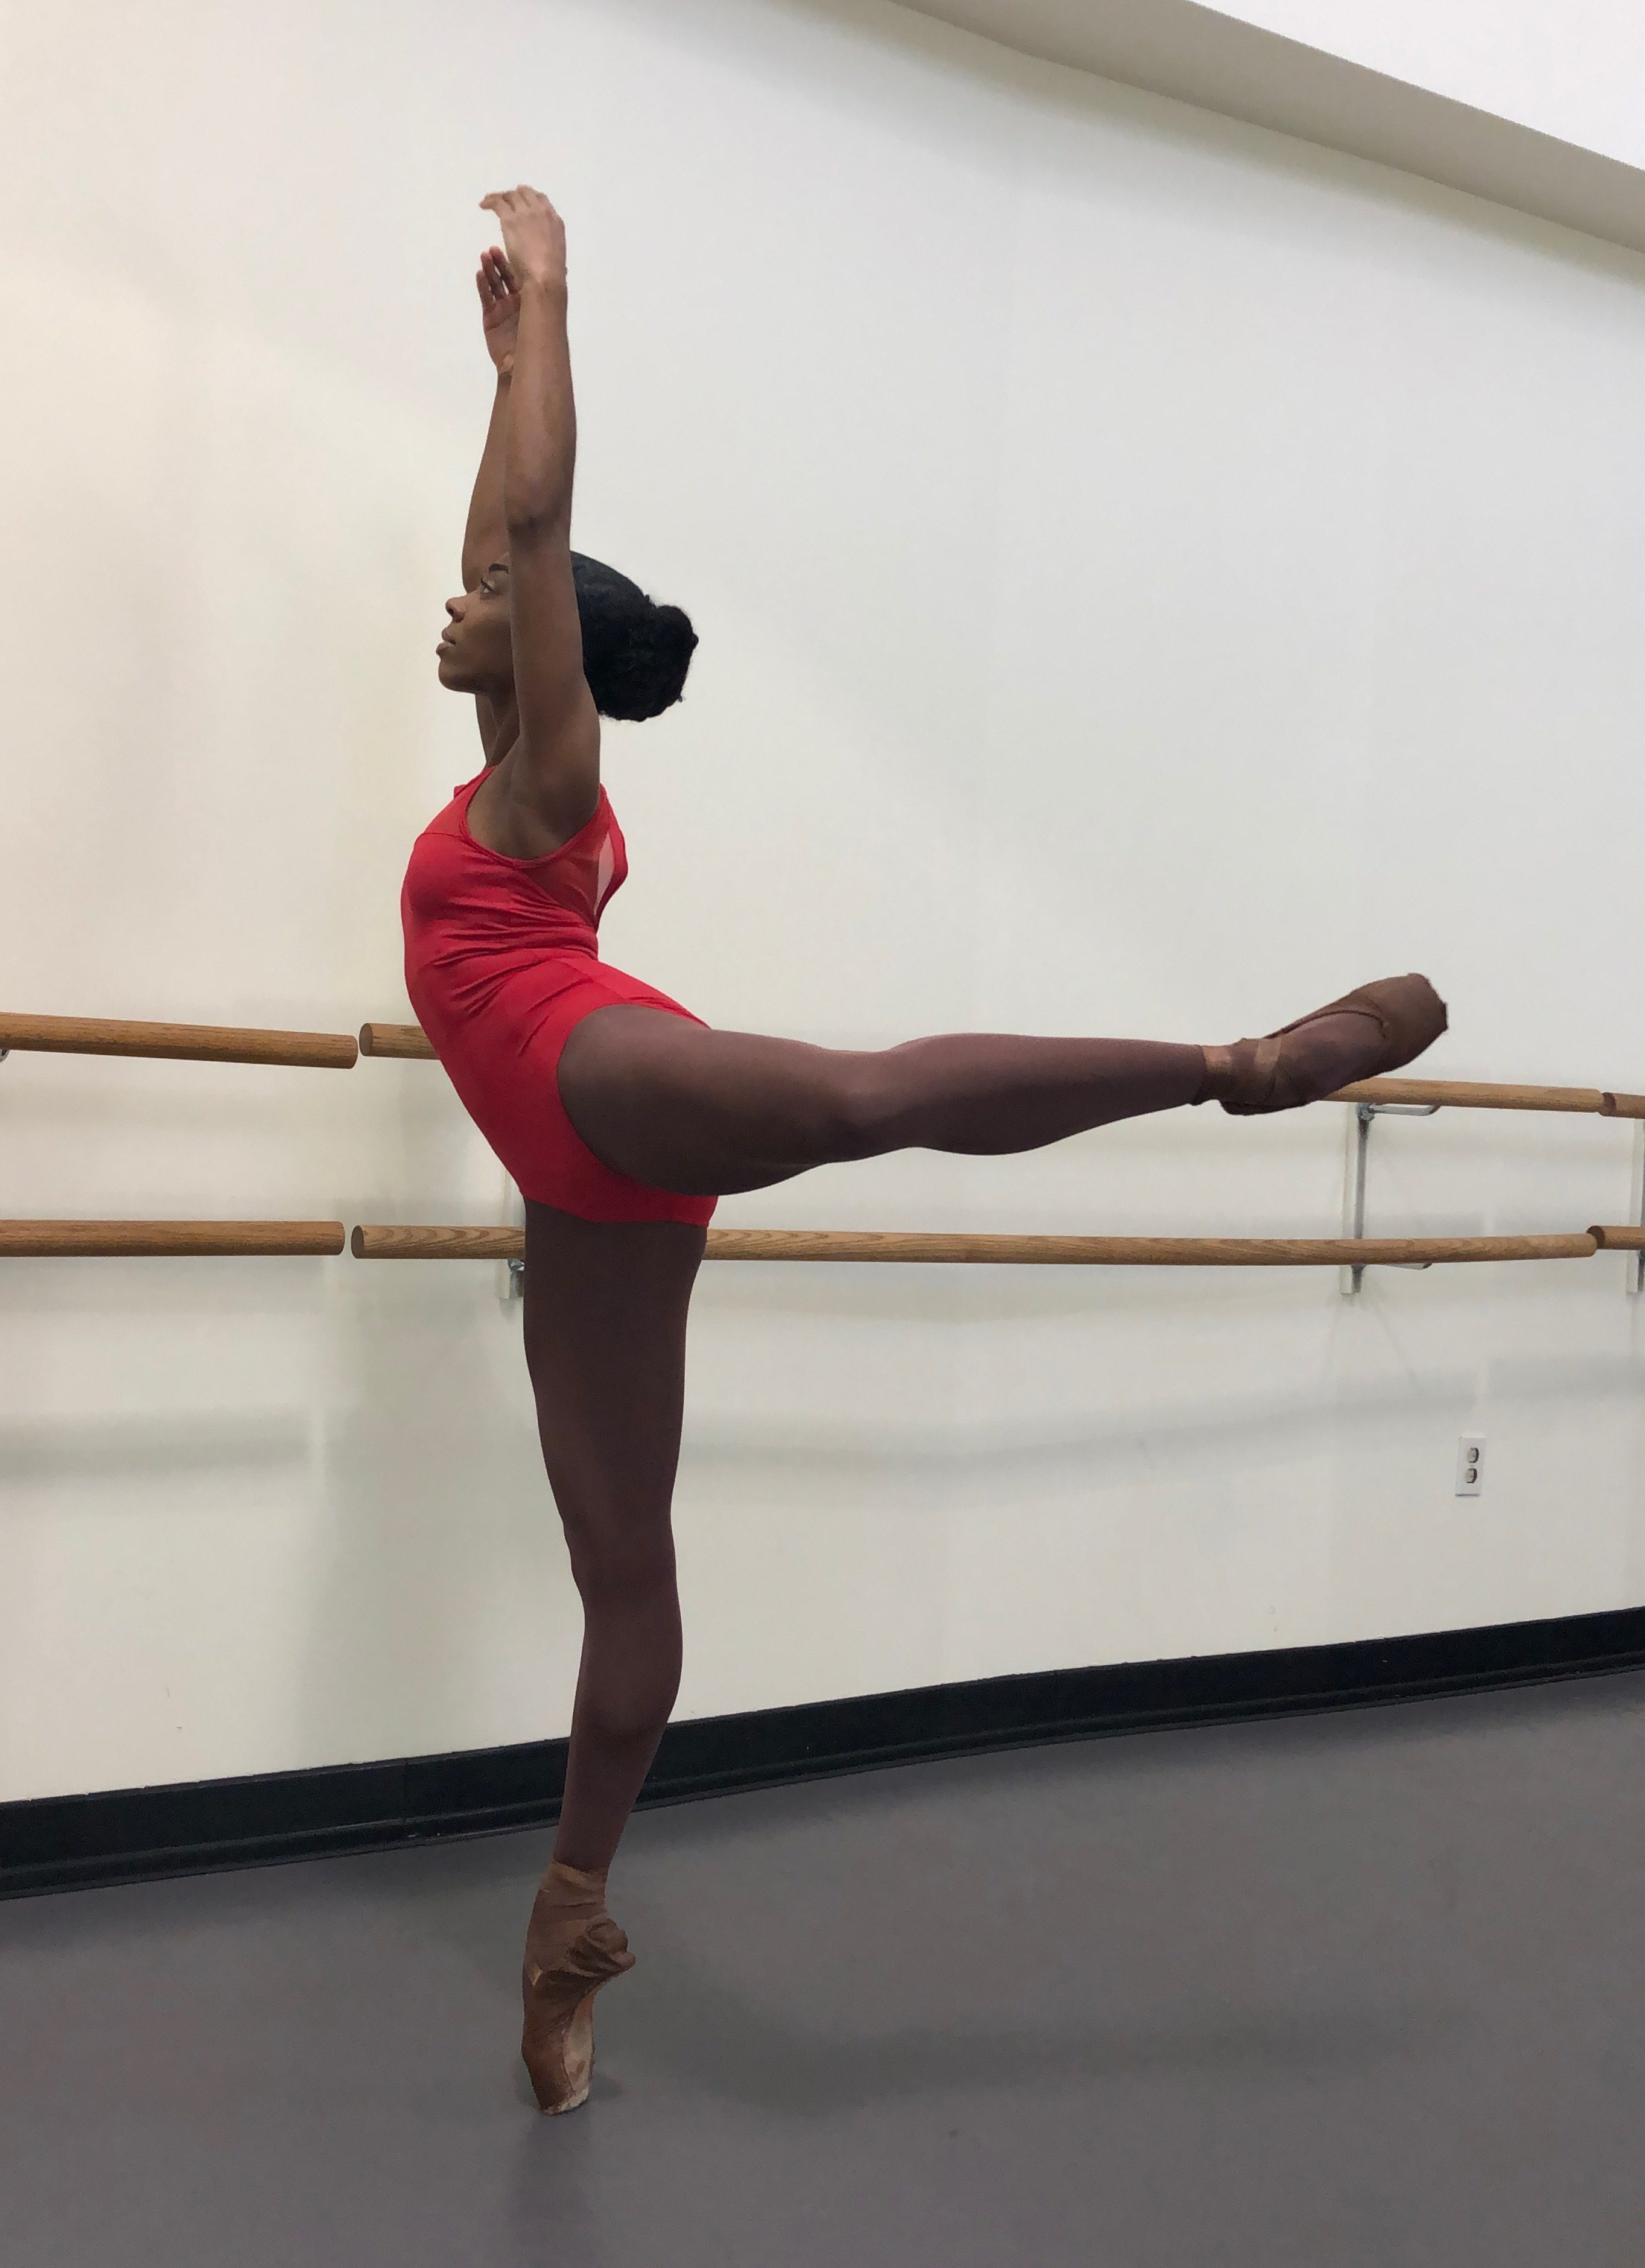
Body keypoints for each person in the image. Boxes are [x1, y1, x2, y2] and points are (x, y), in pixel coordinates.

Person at [402, 188, 1445, 2115]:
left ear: (544, 657)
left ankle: (1234, 1062)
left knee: (866, 1099)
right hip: (578, 1180)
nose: (449, 600)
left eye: (488, 606)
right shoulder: (504, 742)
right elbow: (509, 528)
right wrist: (498, 368)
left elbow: (532, 535)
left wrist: (557, 292)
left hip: (601, 1069)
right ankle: (569, 1917)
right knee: (621, 1571)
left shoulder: (553, 774)